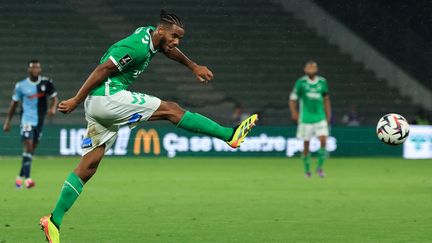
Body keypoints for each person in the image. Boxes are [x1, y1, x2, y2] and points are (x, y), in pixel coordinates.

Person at [40, 10, 258, 242]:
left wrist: (193, 66)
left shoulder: (150, 36)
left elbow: (168, 50)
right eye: (174, 36)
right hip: (107, 98)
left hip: (99, 106)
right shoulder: (137, 47)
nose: (176, 42)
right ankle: (230, 135)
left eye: (179, 38)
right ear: (162, 30)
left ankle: (53, 221)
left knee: (88, 167)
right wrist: (76, 99)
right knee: (171, 110)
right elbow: (102, 69)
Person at [3, 60, 58, 189]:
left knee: (31, 150)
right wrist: (8, 121)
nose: (35, 70)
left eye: (37, 67)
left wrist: (53, 108)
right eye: (33, 68)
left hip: (39, 121)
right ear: (29, 70)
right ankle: (28, 179)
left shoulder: (46, 83)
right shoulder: (21, 86)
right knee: (28, 147)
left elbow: (54, 98)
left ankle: (19, 178)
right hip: (26, 120)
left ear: (40, 69)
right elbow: (14, 105)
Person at [289, 60, 331, 178]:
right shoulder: (301, 83)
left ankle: (320, 168)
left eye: (313, 67)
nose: (311, 69)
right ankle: (307, 170)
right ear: (305, 70)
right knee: (306, 144)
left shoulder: (322, 82)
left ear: (316, 70)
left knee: (323, 140)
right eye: (309, 68)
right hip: (305, 119)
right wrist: (294, 113)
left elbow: (326, 99)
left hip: (320, 117)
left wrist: (328, 115)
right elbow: (292, 99)